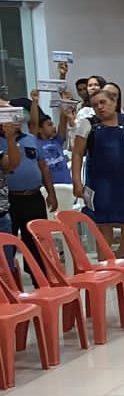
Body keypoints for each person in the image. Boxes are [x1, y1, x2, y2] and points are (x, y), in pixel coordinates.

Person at [71, 87, 124, 258]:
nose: (99, 107)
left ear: (114, 102)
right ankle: (105, 265)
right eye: (95, 105)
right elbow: (77, 153)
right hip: (98, 182)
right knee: (103, 224)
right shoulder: (87, 124)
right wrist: (76, 181)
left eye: (103, 102)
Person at [0, 117, 54, 281]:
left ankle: (41, 280)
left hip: (34, 196)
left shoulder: (31, 139)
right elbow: (10, 165)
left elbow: (43, 166)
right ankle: (11, 282)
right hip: (9, 200)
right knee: (8, 244)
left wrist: (51, 193)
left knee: (37, 241)